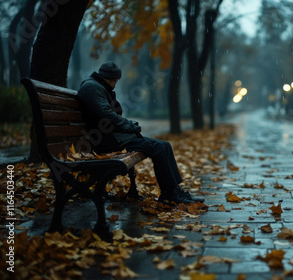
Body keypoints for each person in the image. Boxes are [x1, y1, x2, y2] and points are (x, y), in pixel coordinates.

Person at [77, 61, 203, 205]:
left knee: (165, 145)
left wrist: (129, 125)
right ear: (112, 79)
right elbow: (108, 116)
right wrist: (130, 125)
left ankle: (174, 190)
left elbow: (109, 115)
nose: (115, 84)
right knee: (159, 148)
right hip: (106, 140)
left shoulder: (97, 87)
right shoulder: (92, 88)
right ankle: (169, 193)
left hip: (113, 137)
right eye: (115, 81)